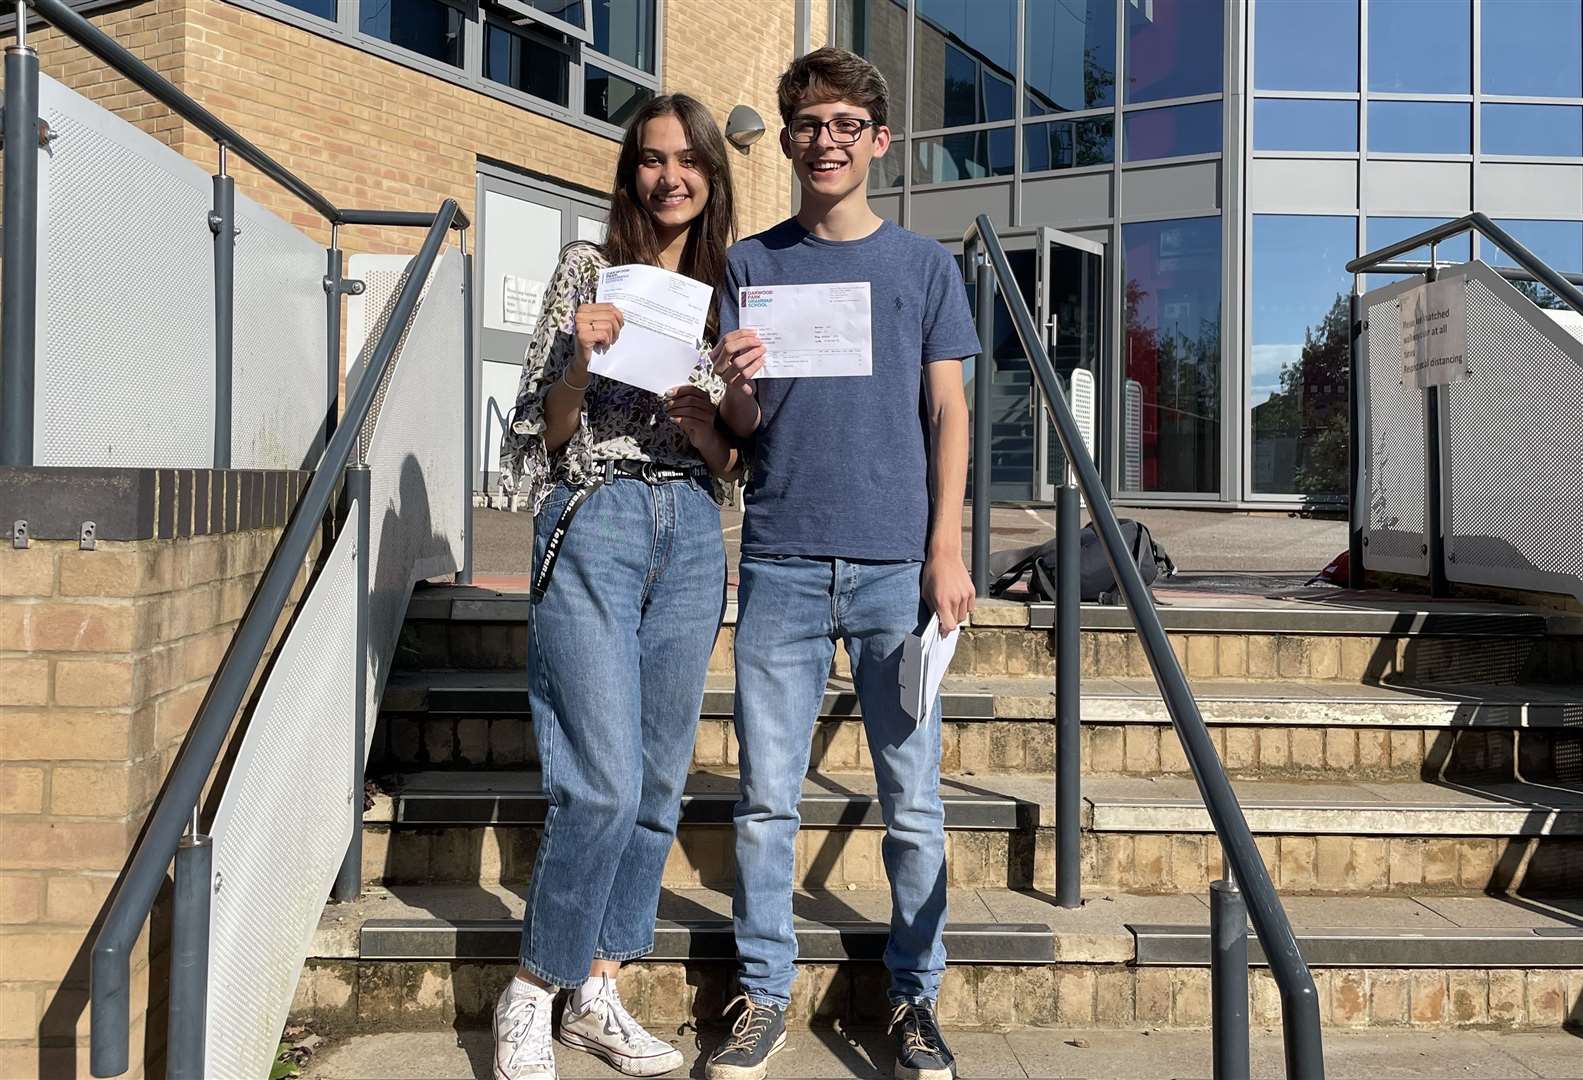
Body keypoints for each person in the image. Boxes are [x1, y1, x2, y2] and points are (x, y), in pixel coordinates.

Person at [702, 47, 979, 1080]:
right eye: (808, 125)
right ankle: (763, 995)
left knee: (911, 802)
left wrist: (943, 548)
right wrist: (731, 384)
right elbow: (741, 431)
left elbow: (948, 411)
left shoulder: (921, 266)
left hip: (891, 571)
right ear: (786, 141)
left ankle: (913, 1000)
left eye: (843, 125)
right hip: (777, 559)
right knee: (767, 800)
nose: (826, 141)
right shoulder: (749, 265)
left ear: (876, 141)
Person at [493, 92, 740, 1080]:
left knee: (654, 780)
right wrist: (577, 363)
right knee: (595, 783)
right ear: (629, 171)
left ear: (712, 176)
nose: (669, 176)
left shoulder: (729, 291)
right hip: (594, 514)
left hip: (690, 528)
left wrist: (707, 416)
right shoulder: (585, 271)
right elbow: (541, 431)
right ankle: (532, 986)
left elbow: (733, 461)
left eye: (688, 160)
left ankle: (597, 987)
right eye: (650, 159)